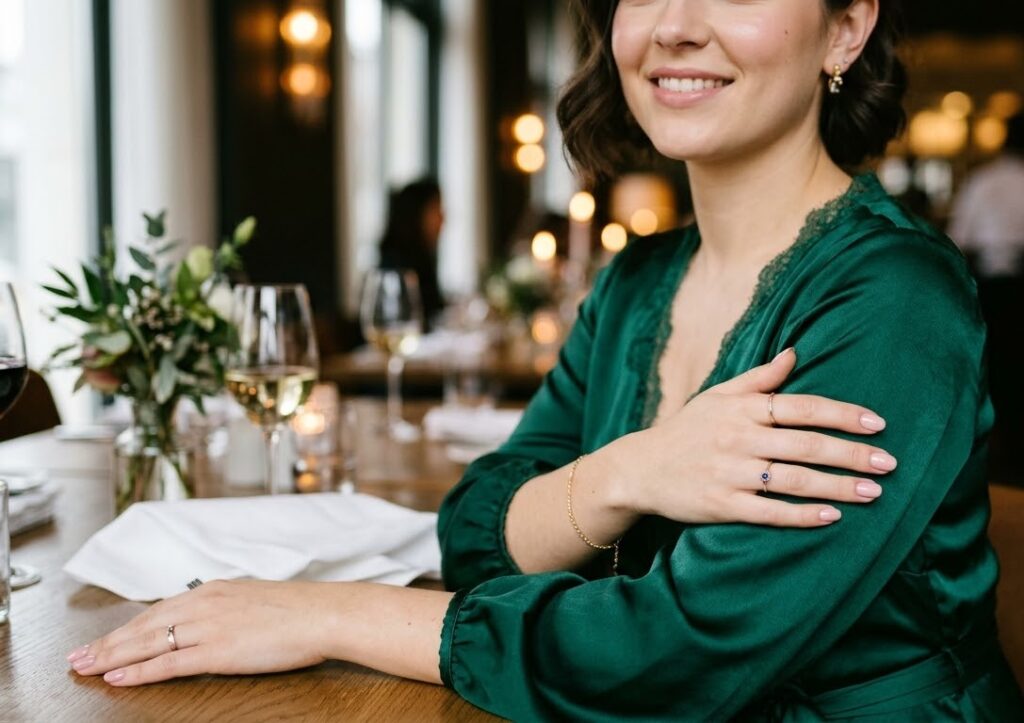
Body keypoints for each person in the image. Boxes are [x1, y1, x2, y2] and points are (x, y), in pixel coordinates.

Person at [66, 0, 1024, 719]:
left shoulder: (894, 302)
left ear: (845, 28)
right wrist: (632, 468)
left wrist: (326, 613)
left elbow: (678, 651)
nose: (675, 26)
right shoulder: (638, 281)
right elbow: (477, 528)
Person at [948, 113, 1024, 483]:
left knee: (998, 368)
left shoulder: (984, 181)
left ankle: (1001, 450)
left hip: (994, 288)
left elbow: (958, 240)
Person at [377, 177, 446, 328]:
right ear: (416, 213)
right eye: (436, 209)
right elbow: (395, 323)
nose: (443, 218)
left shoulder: (424, 257)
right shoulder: (394, 264)